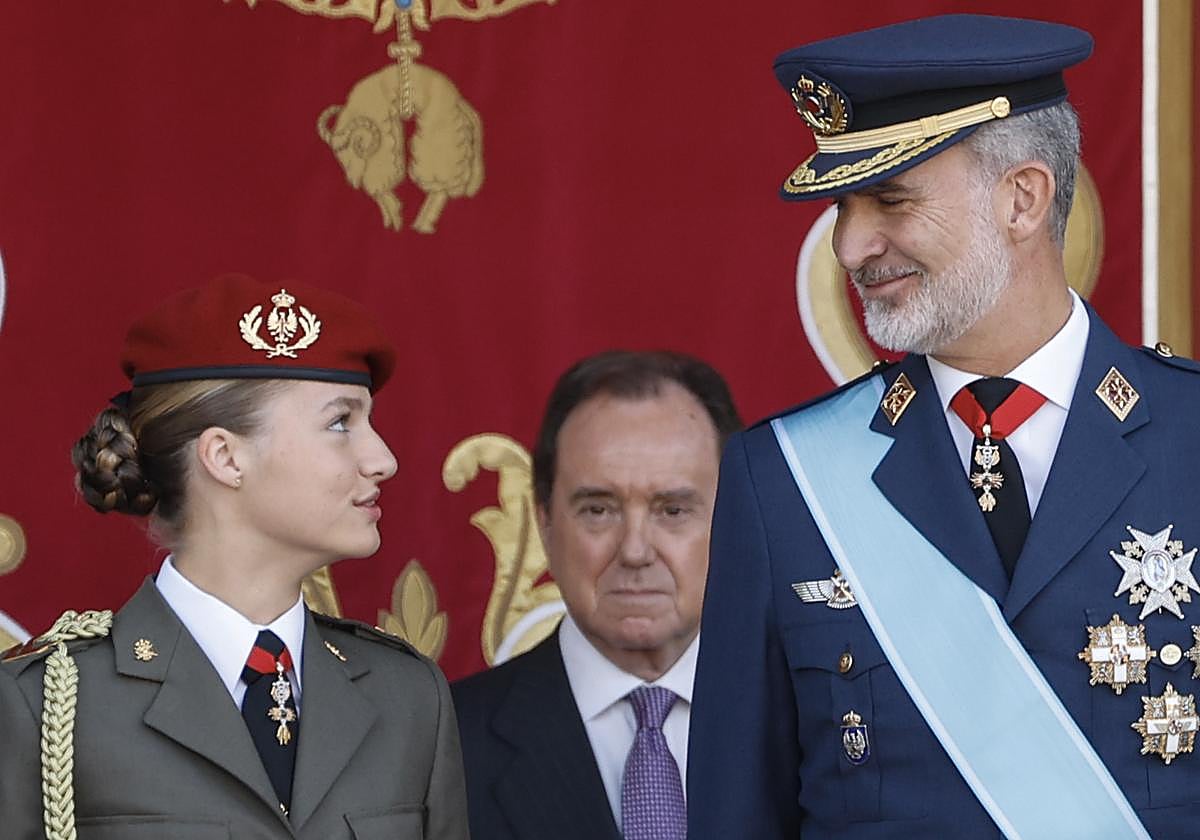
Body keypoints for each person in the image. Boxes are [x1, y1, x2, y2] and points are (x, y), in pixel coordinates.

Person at [688, 14, 1200, 839]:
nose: (852, 244)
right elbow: (734, 815)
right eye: (844, 207)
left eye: (889, 199)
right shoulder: (781, 478)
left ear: (1022, 199)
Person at [0, 274, 470, 839]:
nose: (383, 459)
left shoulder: (406, 695)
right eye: (340, 422)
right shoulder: (48, 704)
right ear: (224, 456)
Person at [452, 351, 741, 840]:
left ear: (735, 518)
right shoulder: (443, 748)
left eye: (671, 510)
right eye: (598, 510)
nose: (634, 550)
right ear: (544, 521)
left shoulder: (810, 728)